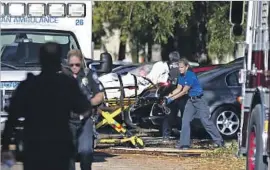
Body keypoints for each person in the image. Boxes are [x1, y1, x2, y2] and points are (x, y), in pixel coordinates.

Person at [1, 42, 91, 170]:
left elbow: (12, 118)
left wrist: (5, 147)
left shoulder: (29, 85)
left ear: (41, 59)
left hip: (34, 148)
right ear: (59, 60)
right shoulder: (67, 85)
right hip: (59, 147)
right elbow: (84, 107)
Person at [165, 58, 224, 149]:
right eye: (179, 67)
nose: (180, 69)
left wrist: (172, 99)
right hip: (190, 101)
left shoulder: (190, 75)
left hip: (199, 100)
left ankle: (219, 141)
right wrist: (167, 96)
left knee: (205, 121)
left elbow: (184, 91)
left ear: (186, 67)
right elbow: (178, 88)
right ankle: (184, 144)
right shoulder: (181, 76)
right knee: (185, 121)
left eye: (181, 67)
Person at [66, 49, 104, 170]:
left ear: (81, 62)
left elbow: (100, 95)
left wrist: (89, 103)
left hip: (85, 118)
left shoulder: (89, 74)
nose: (74, 67)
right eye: (71, 65)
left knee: (86, 151)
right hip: (67, 119)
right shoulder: (62, 76)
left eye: (77, 64)